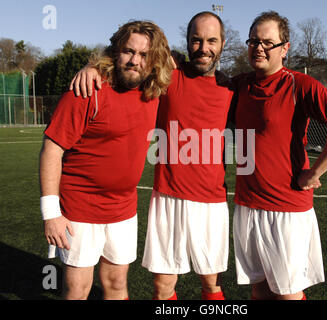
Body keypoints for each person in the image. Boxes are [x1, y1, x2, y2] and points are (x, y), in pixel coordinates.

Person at [69, 12, 233, 300]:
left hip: (212, 201)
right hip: (168, 197)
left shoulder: (234, 87)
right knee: (162, 287)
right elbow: (130, 49)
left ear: (222, 43)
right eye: (196, 40)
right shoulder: (167, 72)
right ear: (187, 41)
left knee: (211, 284)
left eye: (211, 41)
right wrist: (93, 66)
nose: (203, 48)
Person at [231, 11, 327, 300]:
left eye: (268, 42)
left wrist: (315, 171)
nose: (259, 47)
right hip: (248, 204)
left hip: (286, 206)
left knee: (288, 293)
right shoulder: (240, 84)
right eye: (253, 41)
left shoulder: (298, 83)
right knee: (260, 289)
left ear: (285, 48)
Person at [39, 20, 173, 300]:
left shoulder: (154, 90)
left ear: (154, 60)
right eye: (128, 51)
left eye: (144, 55)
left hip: (123, 209)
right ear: (115, 51)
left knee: (116, 284)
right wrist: (50, 213)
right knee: (77, 288)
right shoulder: (88, 90)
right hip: (79, 208)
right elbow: (52, 148)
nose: (134, 60)